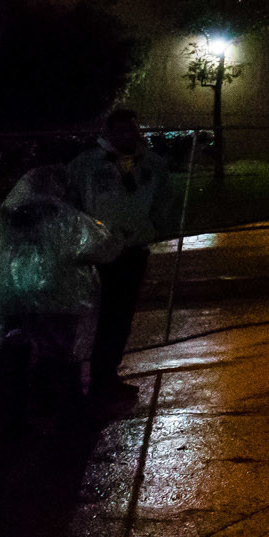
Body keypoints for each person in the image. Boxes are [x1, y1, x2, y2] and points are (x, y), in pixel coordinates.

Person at [0, 164, 110, 437]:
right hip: (56, 297)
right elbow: (100, 246)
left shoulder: (6, 217)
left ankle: (13, 421)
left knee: (14, 361)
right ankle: (68, 417)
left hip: (14, 297)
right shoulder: (63, 216)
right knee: (61, 358)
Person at [67, 110, 178, 402]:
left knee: (121, 316)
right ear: (109, 132)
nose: (128, 136)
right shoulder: (87, 165)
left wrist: (154, 229)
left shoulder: (152, 165)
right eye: (121, 131)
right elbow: (73, 202)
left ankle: (106, 376)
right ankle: (80, 379)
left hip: (132, 252)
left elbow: (165, 202)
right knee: (94, 317)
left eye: (132, 130)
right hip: (98, 254)